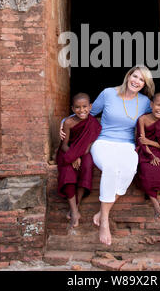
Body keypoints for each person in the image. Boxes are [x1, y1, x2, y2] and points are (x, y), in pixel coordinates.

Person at [88, 65, 156, 246]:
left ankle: (102, 211)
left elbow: (158, 118)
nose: (137, 81)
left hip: (127, 144)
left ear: (145, 84)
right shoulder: (108, 93)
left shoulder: (144, 102)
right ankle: (104, 221)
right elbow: (88, 114)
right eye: (135, 76)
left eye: (142, 80)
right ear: (128, 76)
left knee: (130, 168)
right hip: (103, 142)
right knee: (110, 167)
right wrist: (65, 123)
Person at [56, 92, 102, 228]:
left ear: (90, 106)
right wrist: (73, 156)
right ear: (72, 109)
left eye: (84, 107)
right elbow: (64, 145)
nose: (82, 110)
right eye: (77, 107)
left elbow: (87, 147)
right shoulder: (69, 122)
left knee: (87, 166)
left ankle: (76, 205)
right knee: (67, 171)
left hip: (83, 152)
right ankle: (75, 213)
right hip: (68, 152)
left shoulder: (93, 123)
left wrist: (78, 156)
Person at [136, 92, 160, 218]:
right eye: (158, 105)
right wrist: (150, 155)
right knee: (146, 172)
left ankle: (153, 198)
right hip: (145, 151)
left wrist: (150, 142)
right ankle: (155, 203)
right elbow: (141, 141)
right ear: (152, 105)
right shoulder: (142, 119)